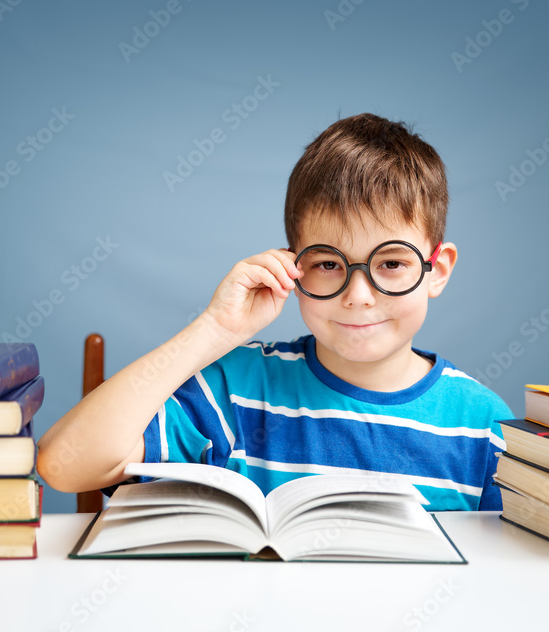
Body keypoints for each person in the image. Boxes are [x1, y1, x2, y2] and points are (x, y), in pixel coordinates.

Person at [37, 113, 512, 510]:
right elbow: (63, 464)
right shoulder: (235, 390)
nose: (360, 295)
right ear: (293, 268)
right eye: (328, 264)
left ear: (437, 269)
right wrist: (214, 329)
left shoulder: (483, 425)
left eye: (391, 263)